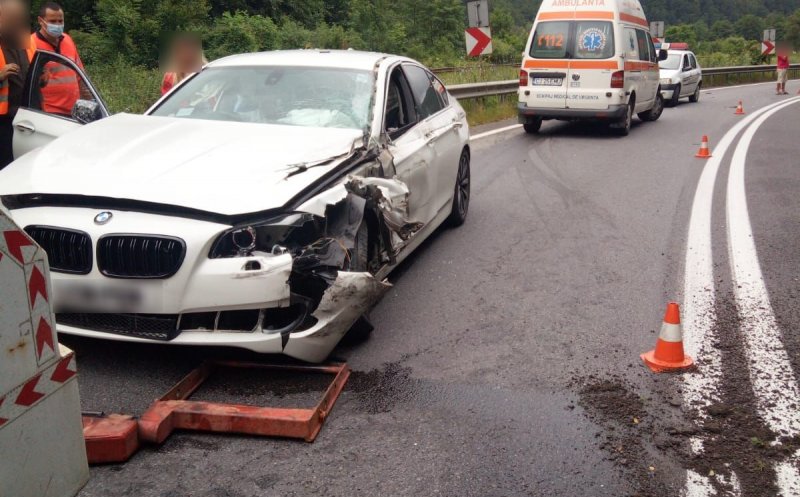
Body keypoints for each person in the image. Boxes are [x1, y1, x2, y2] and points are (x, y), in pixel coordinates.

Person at [31, 1, 85, 116]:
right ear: (41, 21)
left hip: (75, 110)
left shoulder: (68, 40)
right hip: (49, 113)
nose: (57, 25)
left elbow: (80, 75)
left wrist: (90, 101)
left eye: (60, 21)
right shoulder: (31, 44)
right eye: (52, 21)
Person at [0, 0, 35, 169]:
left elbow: (31, 71)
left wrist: (41, 78)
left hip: (28, 118)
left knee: (23, 166)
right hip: (3, 120)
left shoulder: (25, 41)